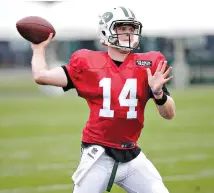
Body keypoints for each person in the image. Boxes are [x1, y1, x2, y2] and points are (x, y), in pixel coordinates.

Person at [31, 6, 176, 193]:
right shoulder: (88, 63)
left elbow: (169, 114)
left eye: (131, 29)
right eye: (122, 29)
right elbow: (41, 76)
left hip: (132, 156)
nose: (128, 34)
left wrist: (158, 93)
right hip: (98, 155)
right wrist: (38, 48)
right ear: (106, 32)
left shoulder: (148, 65)